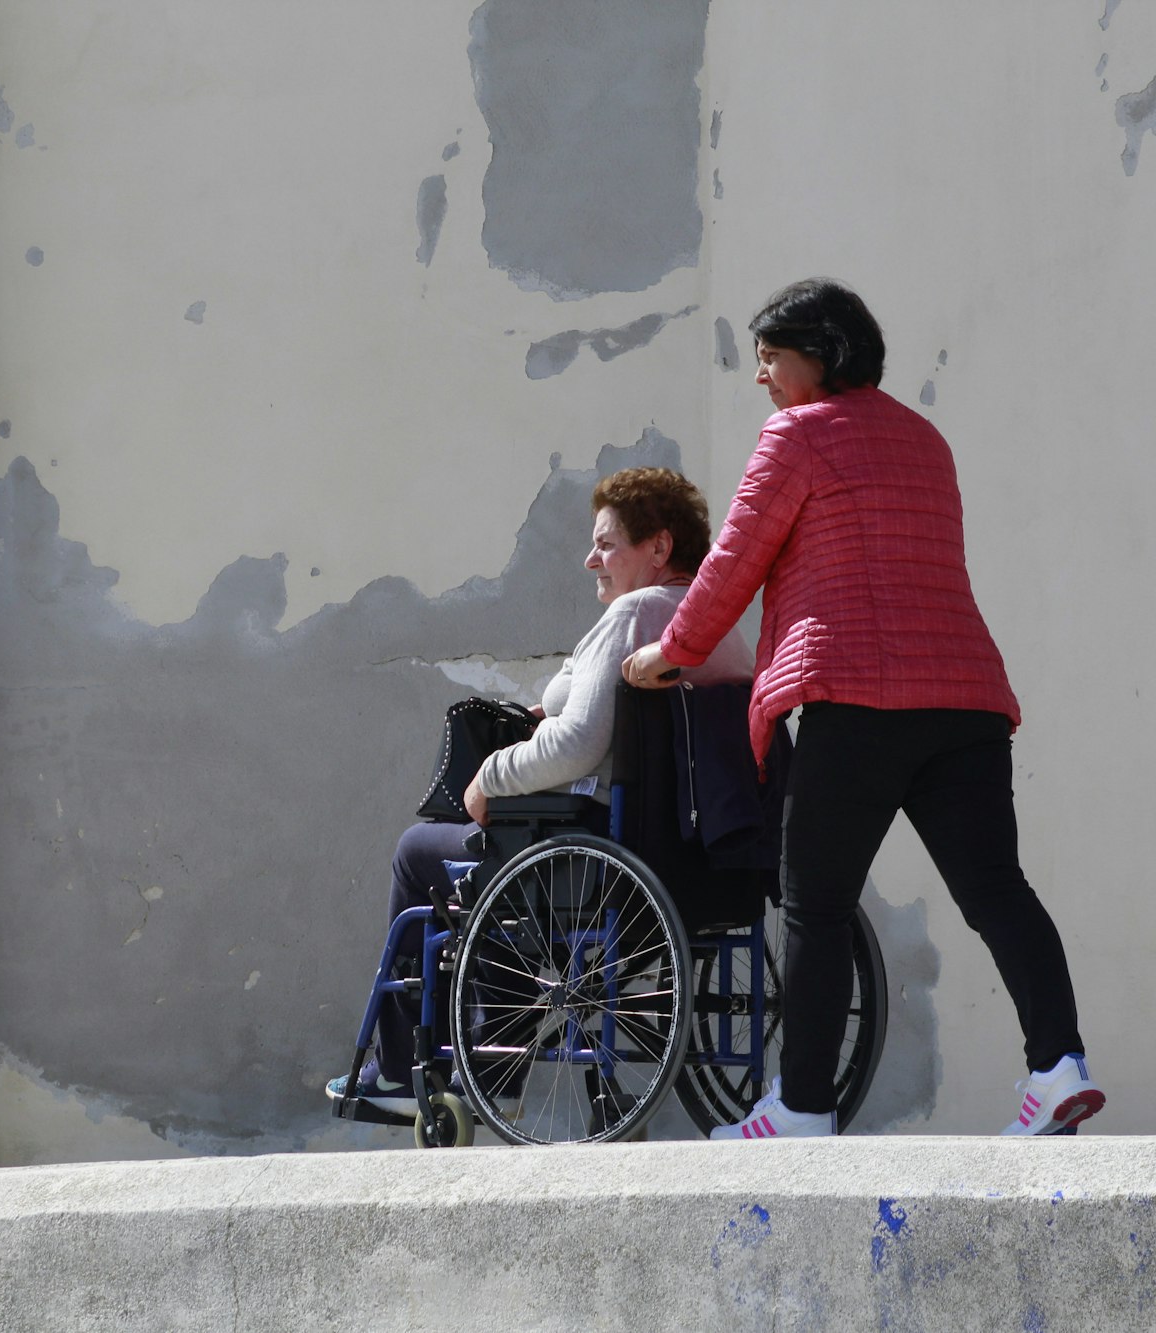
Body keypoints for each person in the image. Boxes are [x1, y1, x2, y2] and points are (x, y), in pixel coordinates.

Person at [624, 278, 1104, 1139]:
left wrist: (667, 653)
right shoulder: (926, 439)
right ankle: (1057, 1064)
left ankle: (803, 1106)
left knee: (814, 902)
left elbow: (733, 562)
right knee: (997, 887)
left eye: (772, 356)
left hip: (855, 697)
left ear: (824, 353)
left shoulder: (798, 436)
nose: (761, 376)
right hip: (965, 702)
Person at [329, 467, 752, 1115]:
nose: (591, 559)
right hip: (691, 854)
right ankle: (488, 1067)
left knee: (423, 851)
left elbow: (581, 743)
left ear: (659, 547)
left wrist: (491, 777)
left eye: (607, 543)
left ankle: (404, 1072)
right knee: (506, 858)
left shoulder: (635, 614)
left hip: (597, 850)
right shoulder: (717, 628)